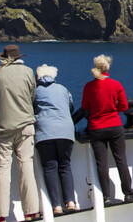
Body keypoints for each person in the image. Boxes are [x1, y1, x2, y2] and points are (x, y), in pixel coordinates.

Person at [0, 44, 40, 222]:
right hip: (26, 126)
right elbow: (32, 96)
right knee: (26, 166)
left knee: (3, 170)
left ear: (4, 58)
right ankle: (31, 212)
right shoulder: (28, 72)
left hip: (3, 128)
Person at [81, 54, 133, 206]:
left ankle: (106, 196)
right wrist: (113, 109)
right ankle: (128, 193)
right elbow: (124, 106)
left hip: (97, 127)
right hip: (114, 126)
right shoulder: (116, 84)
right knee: (121, 160)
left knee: (101, 164)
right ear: (108, 67)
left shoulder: (89, 86)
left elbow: (85, 106)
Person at [34, 64, 77, 215]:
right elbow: (71, 107)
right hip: (65, 131)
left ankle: (56, 206)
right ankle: (70, 202)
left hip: (44, 132)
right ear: (53, 76)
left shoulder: (35, 91)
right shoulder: (63, 89)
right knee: (65, 166)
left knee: (50, 168)